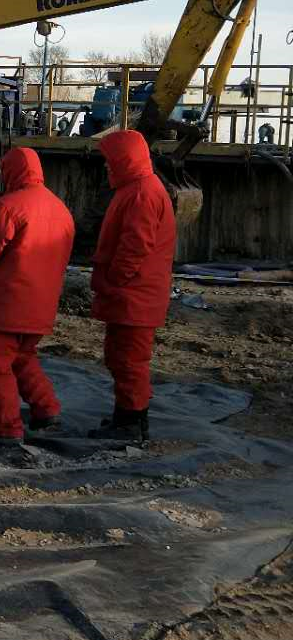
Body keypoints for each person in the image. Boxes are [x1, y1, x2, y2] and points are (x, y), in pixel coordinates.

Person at [0, 147, 76, 444]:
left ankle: (7, 430)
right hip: (41, 306)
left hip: (8, 304)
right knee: (23, 358)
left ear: (10, 172)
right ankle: (47, 410)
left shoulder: (10, 205)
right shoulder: (60, 209)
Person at [88, 129, 176, 442]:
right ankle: (128, 417)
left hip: (134, 295)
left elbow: (134, 247)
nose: (106, 166)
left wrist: (114, 281)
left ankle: (131, 424)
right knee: (121, 357)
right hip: (133, 294)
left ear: (124, 160)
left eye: (110, 160)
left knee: (129, 360)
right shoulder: (138, 189)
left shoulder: (142, 193)